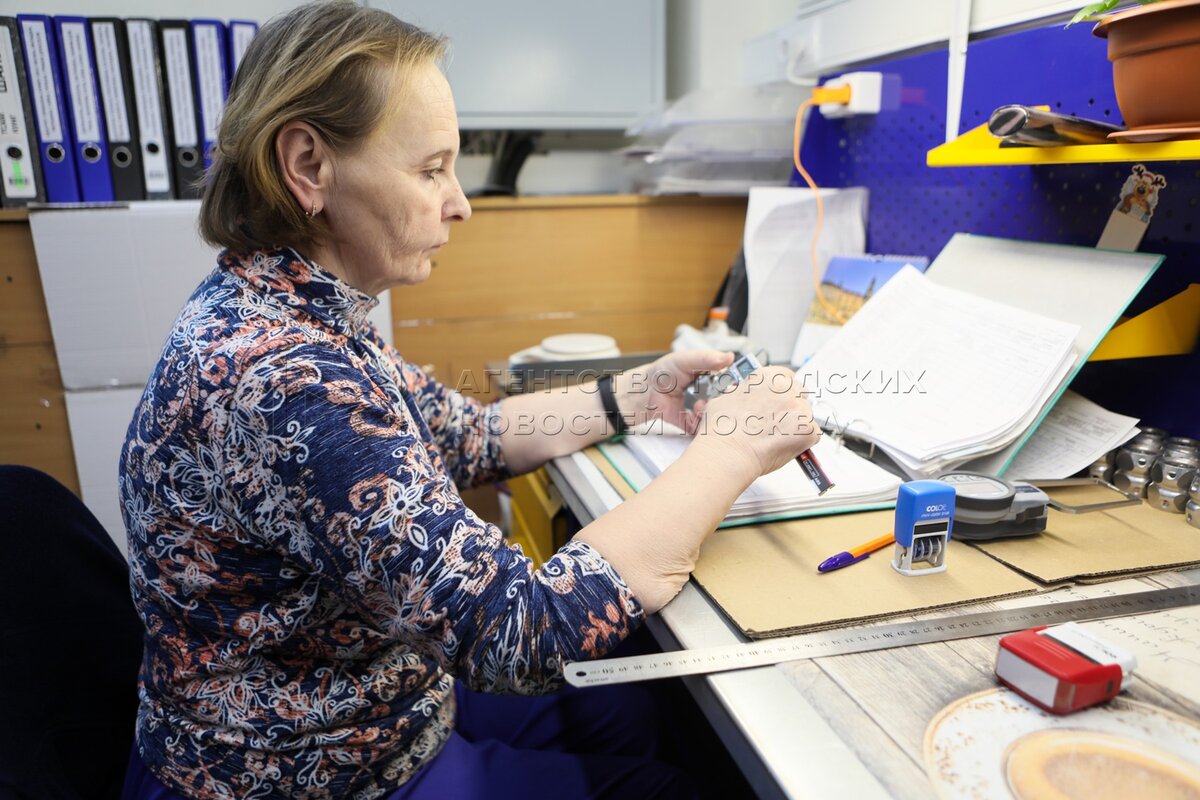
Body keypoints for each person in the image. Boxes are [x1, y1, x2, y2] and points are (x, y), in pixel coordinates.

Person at [118, 3, 818, 799]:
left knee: (643, 710)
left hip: (371, 699)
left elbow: (471, 435)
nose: (460, 202)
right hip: (310, 775)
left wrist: (638, 393)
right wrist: (733, 448)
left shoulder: (290, 306)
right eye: (431, 169)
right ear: (309, 165)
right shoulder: (283, 376)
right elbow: (524, 631)